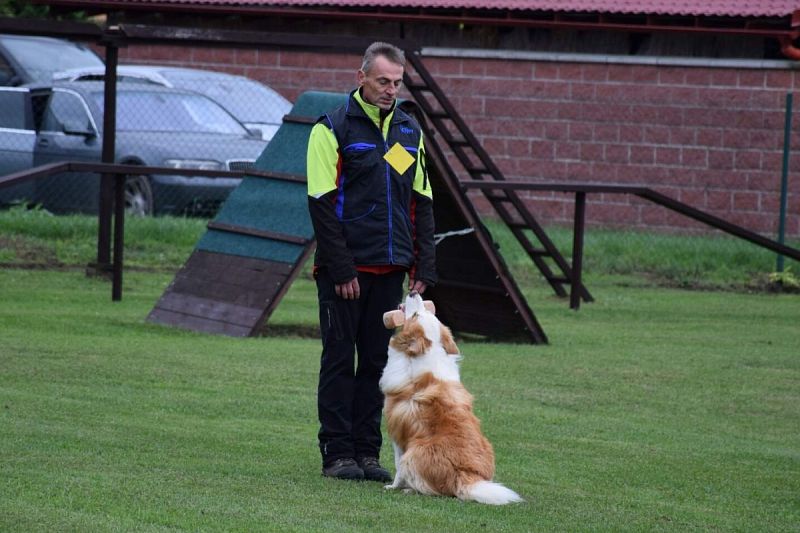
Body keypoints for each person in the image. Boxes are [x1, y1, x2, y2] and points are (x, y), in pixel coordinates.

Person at [306, 41, 437, 481]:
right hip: (346, 271)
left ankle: (367, 453)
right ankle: (337, 454)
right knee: (340, 360)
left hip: (392, 267)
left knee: (378, 366)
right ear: (360, 77)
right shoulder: (331, 128)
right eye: (383, 81)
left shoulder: (408, 131)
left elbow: (421, 201)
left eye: (397, 83)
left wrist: (424, 266)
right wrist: (341, 268)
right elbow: (321, 204)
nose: (391, 90)